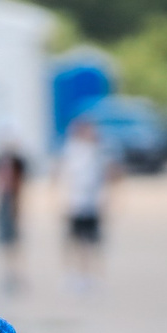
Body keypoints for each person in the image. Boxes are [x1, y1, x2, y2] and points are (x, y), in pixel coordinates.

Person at [59, 116, 109, 289]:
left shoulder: (97, 151)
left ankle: (90, 275)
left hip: (91, 204)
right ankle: (72, 274)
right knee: (73, 241)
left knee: (91, 242)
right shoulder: (73, 151)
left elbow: (104, 177)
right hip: (75, 203)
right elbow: (66, 176)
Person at [0, 136, 29, 294]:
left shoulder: (17, 162)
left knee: (14, 241)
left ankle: (15, 274)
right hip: (3, 200)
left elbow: (21, 182)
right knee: (5, 241)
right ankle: (7, 274)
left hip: (13, 200)